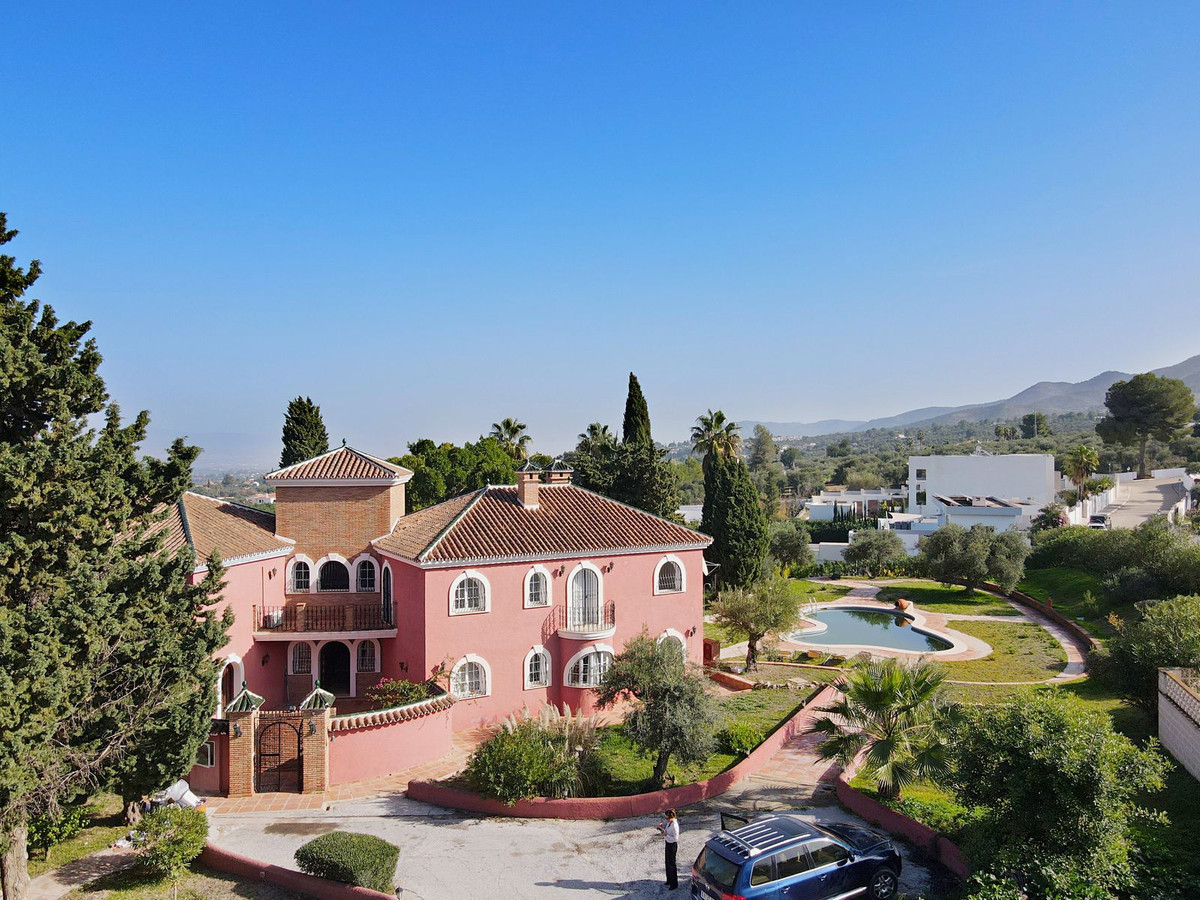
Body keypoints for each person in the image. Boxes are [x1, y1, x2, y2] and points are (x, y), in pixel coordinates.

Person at [656, 808, 680, 890]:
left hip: (672, 845)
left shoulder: (675, 825)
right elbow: (667, 829)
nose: (666, 819)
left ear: (671, 817)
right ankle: (669, 880)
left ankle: (674, 884)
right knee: (667, 862)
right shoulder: (669, 823)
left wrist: (666, 835)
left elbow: (675, 839)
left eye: (667, 818)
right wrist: (663, 827)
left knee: (672, 864)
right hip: (668, 843)